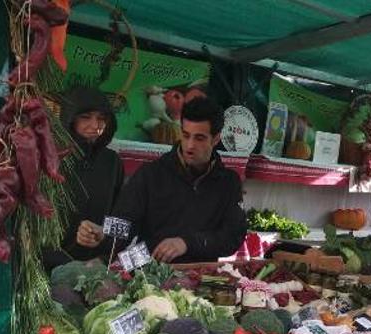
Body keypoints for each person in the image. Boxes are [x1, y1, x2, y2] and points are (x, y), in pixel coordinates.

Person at [78, 96, 246, 264]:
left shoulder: (229, 182)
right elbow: (124, 220)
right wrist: (104, 233)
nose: (190, 145)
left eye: (199, 138)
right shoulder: (150, 174)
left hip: (201, 273)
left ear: (215, 139)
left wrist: (187, 243)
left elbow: (232, 236)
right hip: (149, 269)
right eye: (186, 135)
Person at [42, 86, 125, 271]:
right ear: (70, 118)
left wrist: (103, 233)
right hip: (49, 269)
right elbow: (32, 226)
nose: (95, 126)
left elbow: (123, 222)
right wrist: (64, 265)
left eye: (102, 118)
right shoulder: (49, 158)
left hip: (96, 270)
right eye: (85, 117)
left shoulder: (112, 162)